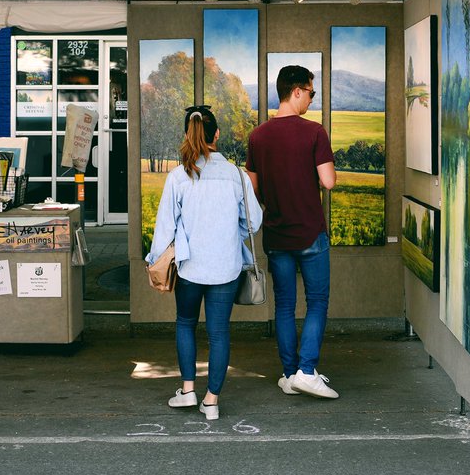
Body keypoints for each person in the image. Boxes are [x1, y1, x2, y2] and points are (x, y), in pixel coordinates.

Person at [145, 105, 262, 421]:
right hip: (226, 267)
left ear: (187, 134)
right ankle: (211, 400)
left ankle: (187, 390)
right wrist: (228, 232)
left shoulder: (178, 175)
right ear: (218, 135)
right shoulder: (235, 174)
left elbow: (166, 227)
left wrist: (154, 260)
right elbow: (253, 222)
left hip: (190, 268)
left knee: (185, 323)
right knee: (219, 332)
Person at [246, 65, 339, 399]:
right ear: (297, 90)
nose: (312, 101)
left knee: (284, 306)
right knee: (317, 302)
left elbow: (253, 190)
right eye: (311, 93)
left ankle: (289, 375)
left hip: (276, 235)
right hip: (310, 232)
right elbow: (328, 182)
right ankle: (308, 371)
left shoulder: (257, 136)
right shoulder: (315, 133)